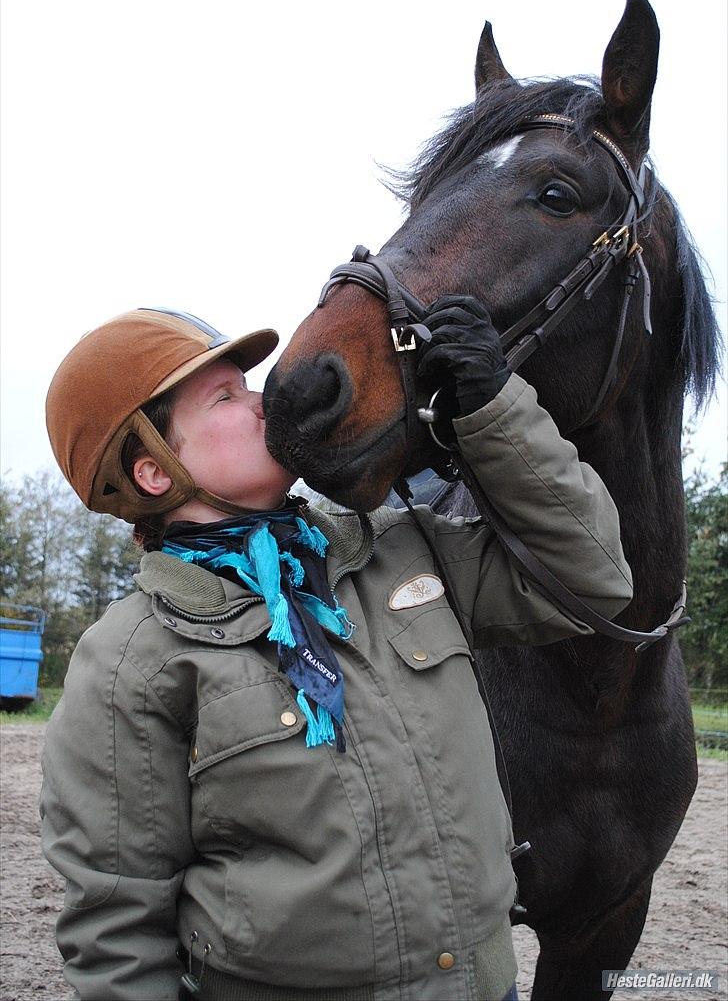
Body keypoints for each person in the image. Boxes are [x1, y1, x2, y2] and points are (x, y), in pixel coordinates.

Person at [41, 304, 632, 1001]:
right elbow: (116, 923)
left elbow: (592, 575)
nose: (267, 400)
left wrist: (493, 409)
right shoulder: (129, 658)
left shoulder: (402, 547)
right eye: (226, 397)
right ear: (153, 472)